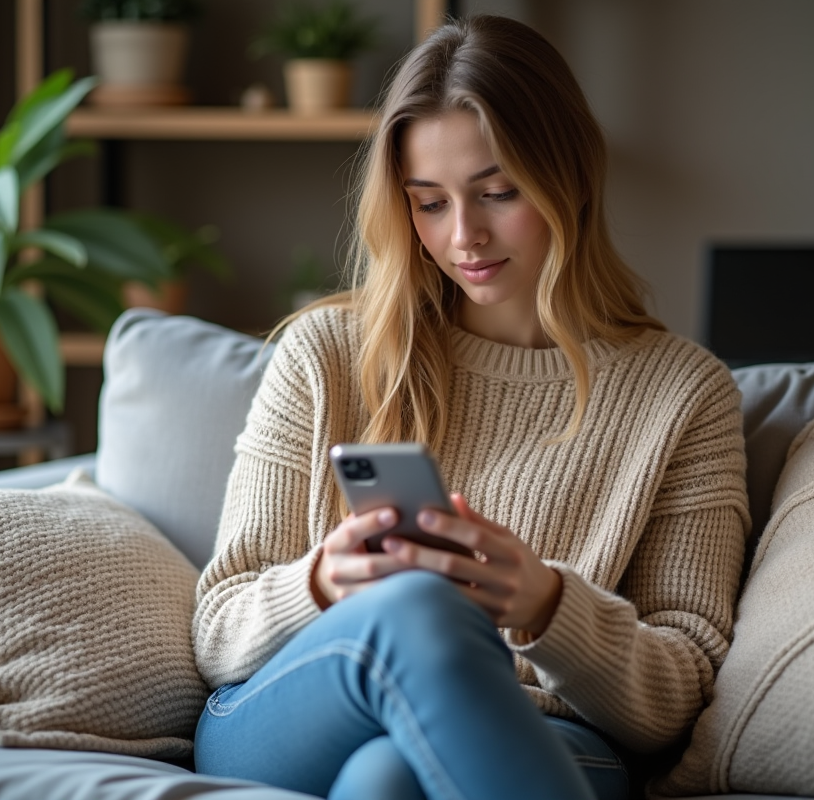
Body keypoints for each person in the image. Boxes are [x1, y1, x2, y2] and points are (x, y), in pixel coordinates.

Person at [192, 14, 750, 800]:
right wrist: (322, 582)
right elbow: (217, 632)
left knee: (387, 778)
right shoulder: (326, 355)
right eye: (429, 203)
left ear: (571, 178)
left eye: (498, 193)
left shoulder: (682, 393)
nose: (465, 238)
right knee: (416, 608)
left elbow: (680, 693)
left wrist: (547, 605)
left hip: (542, 729)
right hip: (297, 711)